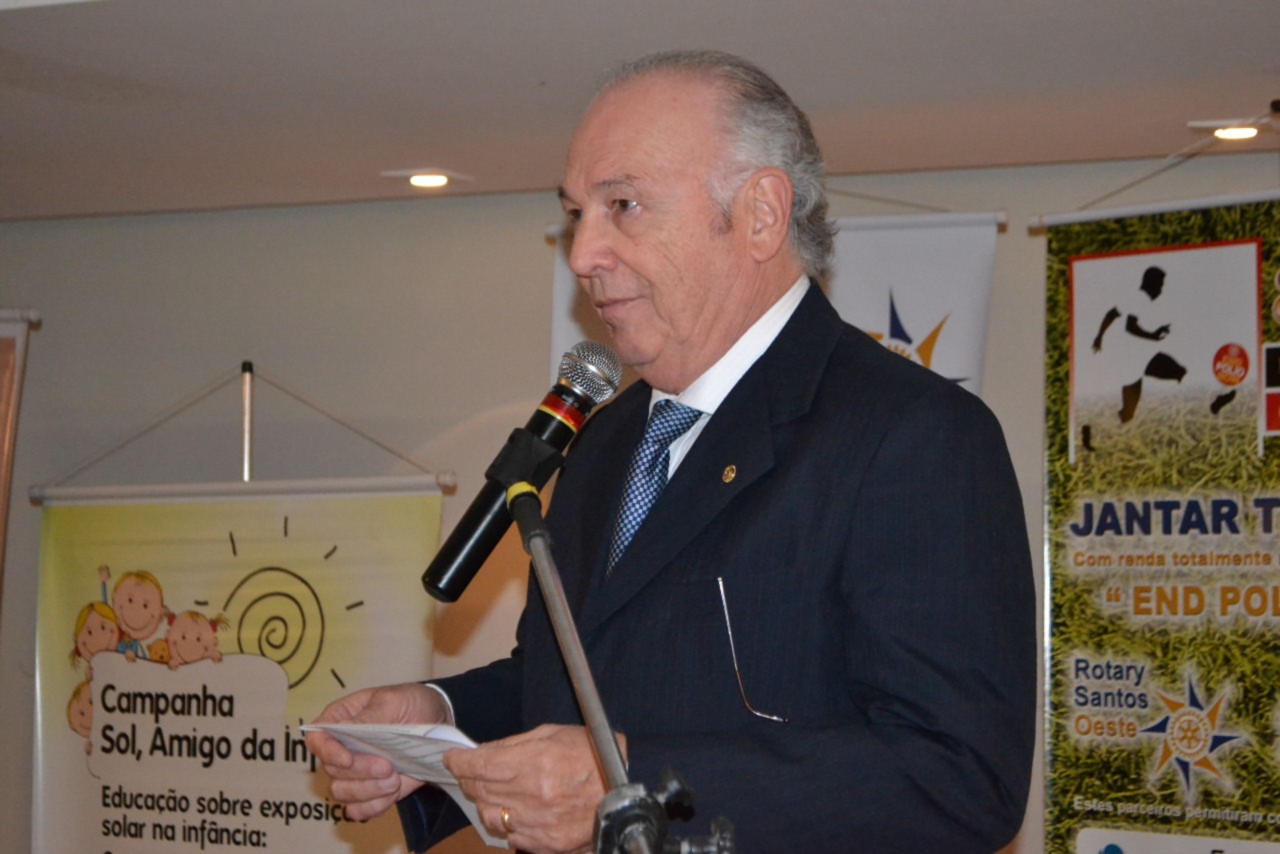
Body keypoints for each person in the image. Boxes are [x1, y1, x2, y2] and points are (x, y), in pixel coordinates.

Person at [307, 49, 1035, 854]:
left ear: (761, 214)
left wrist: (633, 782)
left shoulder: (912, 435)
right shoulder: (603, 440)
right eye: (577, 214)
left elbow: (960, 777)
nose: (582, 254)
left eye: (623, 205)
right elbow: (572, 683)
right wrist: (437, 725)